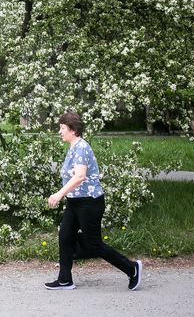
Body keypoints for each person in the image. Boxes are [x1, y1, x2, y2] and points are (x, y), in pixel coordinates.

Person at [45, 112, 142, 291]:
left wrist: (59, 194)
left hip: (89, 202)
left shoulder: (81, 148)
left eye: (62, 128)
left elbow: (80, 176)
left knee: (94, 244)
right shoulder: (73, 147)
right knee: (65, 237)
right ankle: (65, 279)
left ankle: (132, 268)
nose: (60, 132)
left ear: (73, 130)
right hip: (75, 202)